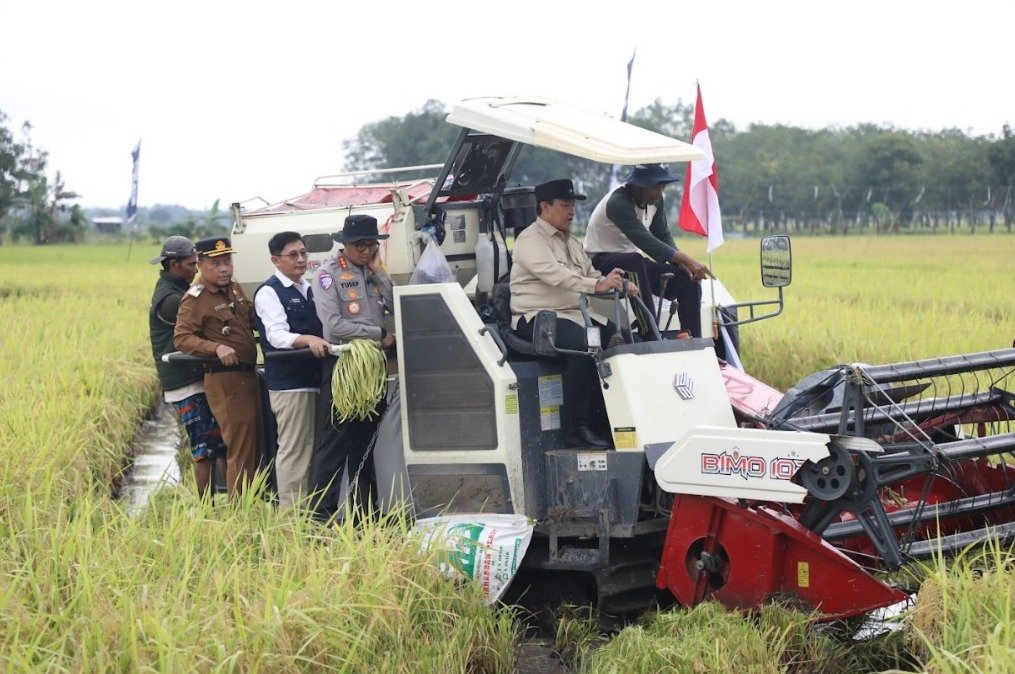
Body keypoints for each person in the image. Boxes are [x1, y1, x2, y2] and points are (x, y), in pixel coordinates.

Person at [510, 178, 636, 448]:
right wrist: (596, 284)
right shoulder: (530, 240)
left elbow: (592, 276)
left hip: (577, 316)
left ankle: (611, 422)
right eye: (565, 205)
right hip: (538, 318)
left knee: (624, 340)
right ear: (545, 207)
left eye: (573, 205)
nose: (572, 211)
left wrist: (617, 285)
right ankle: (579, 428)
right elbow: (557, 276)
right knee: (585, 348)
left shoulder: (572, 242)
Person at [310, 214, 395, 522]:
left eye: (373, 244)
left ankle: (364, 516)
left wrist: (380, 274)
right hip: (343, 367)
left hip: (371, 368)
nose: (368, 250)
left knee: (365, 445)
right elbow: (334, 325)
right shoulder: (327, 275)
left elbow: (398, 306)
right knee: (333, 444)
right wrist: (378, 335)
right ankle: (321, 516)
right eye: (361, 245)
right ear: (344, 245)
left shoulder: (374, 272)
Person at [174, 236, 260, 497]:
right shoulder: (195, 298)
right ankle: (240, 512)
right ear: (200, 264)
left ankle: (249, 504)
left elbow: (250, 319)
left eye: (228, 261)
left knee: (252, 445)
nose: (225, 268)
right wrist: (216, 348)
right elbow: (181, 337)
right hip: (226, 381)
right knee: (241, 449)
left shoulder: (232, 288)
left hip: (246, 377)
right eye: (216, 263)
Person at [584, 163, 713, 338]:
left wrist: (681, 264)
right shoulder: (618, 203)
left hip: (632, 262)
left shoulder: (655, 201)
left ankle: (691, 338)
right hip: (600, 263)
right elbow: (644, 240)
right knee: (634, 261)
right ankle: (650, 333)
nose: (659, 193)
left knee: (688, 279)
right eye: (655, 187)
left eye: (662, 187)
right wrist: (686, 259)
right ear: (638, 185)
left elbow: (662, 235)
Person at [253, 231, 330, 508]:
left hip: (314, 379)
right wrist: (308, 339)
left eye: (303, 253)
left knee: (313, 450)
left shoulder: (308, 288)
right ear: (276, 260)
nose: (301, 260)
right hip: (290, 385)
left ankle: (310, 514)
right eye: (293, 255)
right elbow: (276, 335)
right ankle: (291, 519)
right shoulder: (269, 292)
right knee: (296, 450)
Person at [148, 235, 227, 498]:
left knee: (216, 443)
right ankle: (207, 507)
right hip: (184, 381)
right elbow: (208, 320)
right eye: (192, 264)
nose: (196, 269)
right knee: (203, 448)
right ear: (174, 264)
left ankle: (227, 502)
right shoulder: (171, 299)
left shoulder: (178, 290)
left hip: (193, 376)